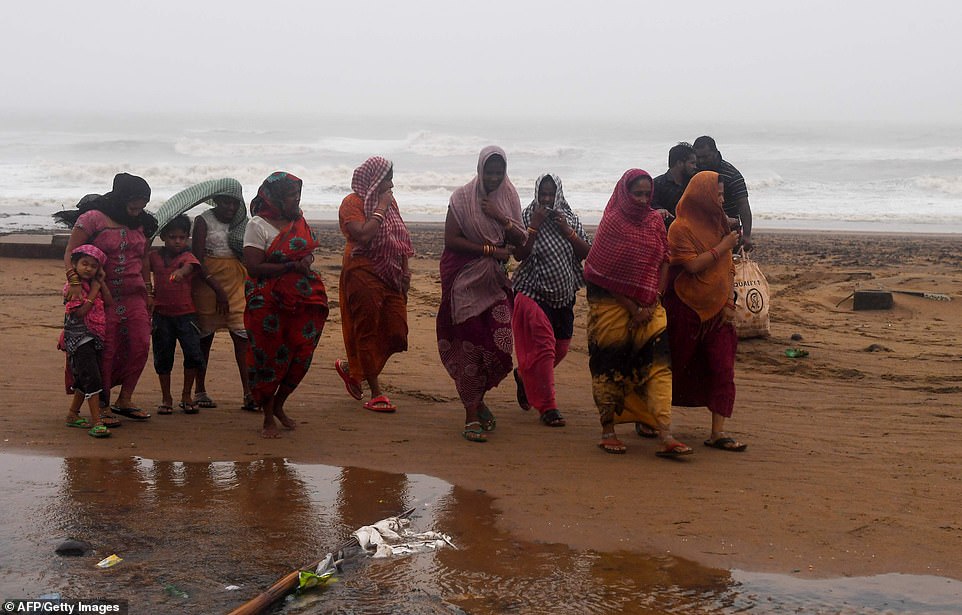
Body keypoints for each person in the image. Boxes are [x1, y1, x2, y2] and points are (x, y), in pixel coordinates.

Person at [584, 169, 692, 457]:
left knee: (659, 366)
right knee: (609, 366)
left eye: (648, 194)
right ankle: (608, 430)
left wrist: (654, 299)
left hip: (650, 304)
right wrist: (633, 308)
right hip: (612, 306)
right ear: (624, 192)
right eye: (638, 194)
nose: (644, 200)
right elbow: (599, 273)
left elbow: (665, 259)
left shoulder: (654, 222)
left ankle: (665, 433)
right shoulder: (612, 224)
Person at [436, 146, 526, 443]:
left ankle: (479, 398)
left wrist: (500, 217)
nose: (494, 177)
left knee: (501, 346)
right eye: (489, 171)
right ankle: (471, 413)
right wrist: (491, 250)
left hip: (495, 282)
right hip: (464, 282)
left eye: (499, 172)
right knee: (470, 348)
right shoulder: (462, 198)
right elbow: (451, 239)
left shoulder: (509, 197)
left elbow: (522, 244)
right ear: (480, 169)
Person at [55, 173, 157, 425]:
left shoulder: (143, 222)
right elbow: (71, 253)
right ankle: (102, 403)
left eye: (144, 201)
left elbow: (144, 257)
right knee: (107, 349)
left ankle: (126, 398)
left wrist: (149, 289)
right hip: (100, 295)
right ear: (121, 197)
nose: (139, 207)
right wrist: (75, 282)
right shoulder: (92, 219)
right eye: (135, 201)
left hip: (134, 294)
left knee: (140, 344)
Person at [665, 170, 748, 452]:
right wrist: (722, 246)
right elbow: (690, 266)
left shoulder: (719, 224)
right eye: (719, 194)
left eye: (723, 195)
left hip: (719, 310)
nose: (723, 201)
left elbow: (728, 266)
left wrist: (728, 300)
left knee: (722, 368)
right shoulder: (680, 227)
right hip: (686, 307)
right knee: (673, 366)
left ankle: (718, 431)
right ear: (703, 196)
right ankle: (654, 420)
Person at [243, 171, 329, 438]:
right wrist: (291, 265)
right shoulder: (257, 225)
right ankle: (268, 417)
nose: (296, 200)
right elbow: (254, 267)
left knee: (300, 354)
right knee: (269, 358)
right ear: (275, 197)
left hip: (300, 299)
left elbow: (306, 251)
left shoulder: (298, 220)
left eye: (298, 195)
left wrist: (306, 262)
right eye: (291, 195)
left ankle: (280, 405)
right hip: (267, 302)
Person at [510, 174, 590, 427]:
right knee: (544, 346)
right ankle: (548, 406)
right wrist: (534, 227)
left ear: (558, 194)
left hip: (564, 293)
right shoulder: (525, 217)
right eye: (542, 194)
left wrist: (567, 231)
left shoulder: (570, 218)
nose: (546, 199)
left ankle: (524, 376)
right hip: (531, 290)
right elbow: (519, 256)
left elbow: (588, 254)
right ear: (536, 193)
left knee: (560, 348)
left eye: (550, 194)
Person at [335, 156, 414, 412]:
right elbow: (364, 234)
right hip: (362, 269)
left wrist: (405, 273)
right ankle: (377, 392)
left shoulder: (391, 203)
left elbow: (399, 238)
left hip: (390, 272)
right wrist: (380, 206)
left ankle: (353, 368)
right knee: (366, 328)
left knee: (397, 330)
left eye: (391, 178)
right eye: (386, 178)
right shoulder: (352, 203)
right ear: (374, 179)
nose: (391, 184)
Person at [189, 186, 255, 411]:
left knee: (242, 336)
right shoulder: (203, 221)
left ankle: (249, 393)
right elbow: (197, 259)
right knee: (204, 338)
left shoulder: (242, 222)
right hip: (207, 282)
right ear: (215, 200)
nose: (230, 207)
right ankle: (200, 390)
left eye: (234, 202)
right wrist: (216, 288)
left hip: (236, 280)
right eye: (226, 202)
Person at [148, 215, 206, 415]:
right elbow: (142, 266)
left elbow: (189, 267)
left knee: (192, 354)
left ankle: (186, 394)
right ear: (163, 236)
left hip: (186, 314)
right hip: (161, 314)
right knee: (163, 357)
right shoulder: (154, 256)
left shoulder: (187, 257)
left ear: (187, 237)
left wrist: (181, 273)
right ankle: (166, 397)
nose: (178, 241)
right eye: (173, 237)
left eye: (182, 237)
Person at [59, 244, 113, 438]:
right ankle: (97, 421)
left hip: (93, 337)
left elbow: (109, 301)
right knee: (92, 379)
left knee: (84, 377)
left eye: (93, 266)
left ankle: (73, 415)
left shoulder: (93, 285)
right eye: (84, 264)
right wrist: (93, 292)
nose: (88, 268)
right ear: (74, 264)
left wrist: (101, 284)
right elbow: (80, 312)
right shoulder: (73, 288)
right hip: (79, 339)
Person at [692, 135, 753, 250]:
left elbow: (743, 204)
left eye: (705, 157)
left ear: (715, 152)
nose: (701, 161)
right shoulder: (694, 171)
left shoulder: (732, 175)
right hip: (700, 230)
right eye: (698, 157)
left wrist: (747, 235)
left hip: (728, 231)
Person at [651, 142, 698, 227]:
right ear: (679, 163)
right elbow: (648, 209)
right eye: (692, 163)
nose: (695, 166)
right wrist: (659, 210)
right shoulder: (656, 184)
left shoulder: (694, 184)